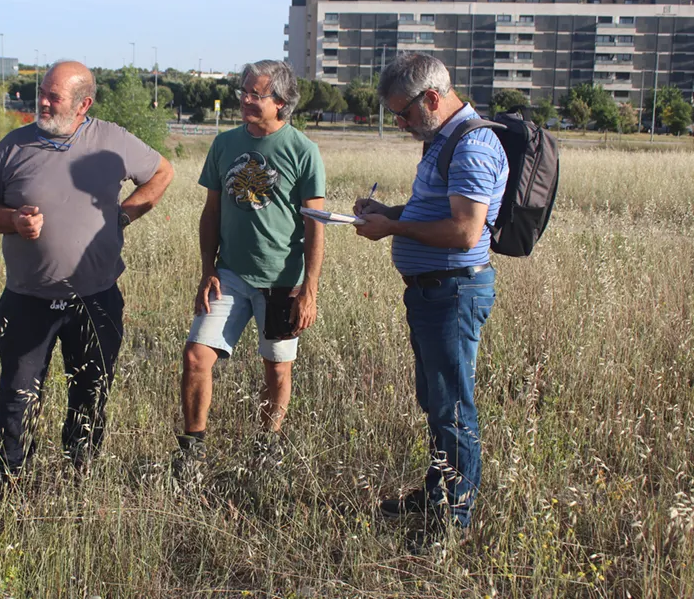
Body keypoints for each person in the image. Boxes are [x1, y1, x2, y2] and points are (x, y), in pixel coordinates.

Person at [0, 60, 174, 487]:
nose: (41, 102)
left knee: (91, 393)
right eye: (41, 92)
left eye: (53, 96)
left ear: (84, 104)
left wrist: (123, 216)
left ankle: (78, 477)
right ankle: (9, 484)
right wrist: (12, 220)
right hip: (28, 299)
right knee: (17, 398)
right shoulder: (13, 145)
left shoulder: (112, 140)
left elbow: (162, 172)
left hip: (96, 298)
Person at [353, 53, 508, 551]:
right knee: (437, 402)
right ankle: (436, 493)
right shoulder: (443, 140)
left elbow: (464, 232)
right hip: (432, 292)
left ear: (433, 99)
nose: (400, 124)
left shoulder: (473, 144)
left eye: (403, 114)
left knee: (453, 407)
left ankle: (454, 523)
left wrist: (393, 226)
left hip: (453, 291)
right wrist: (389, 212)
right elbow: (436, 211)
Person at [172, 59, 326, 485]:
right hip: (230, 275)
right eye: (243, 90)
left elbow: (316, 226)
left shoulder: (303, 151)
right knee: (195, 356)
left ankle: (267, 448)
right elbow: (211, 211)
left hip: (283, 282)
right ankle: (192, 453)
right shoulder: (224, 145)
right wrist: (207, 269)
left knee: (276, 368)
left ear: (281, 102)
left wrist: (308, 290)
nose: (245, 99)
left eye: (256, 94)